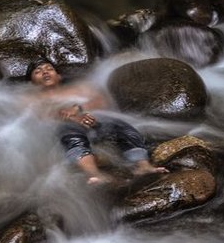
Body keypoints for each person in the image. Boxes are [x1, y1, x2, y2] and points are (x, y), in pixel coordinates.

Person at [27, 59, 167, 184]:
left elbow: (101, 101)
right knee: (69, 132)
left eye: (49, 68)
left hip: (92, 121)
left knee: (119, 125)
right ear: (31, 81)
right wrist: (73, 119)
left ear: (58, 76)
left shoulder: (76, 89)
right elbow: (39, 116)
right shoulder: (31, 99)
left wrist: (79, 109)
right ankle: (94, 174)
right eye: (38, 71)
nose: (45, 72)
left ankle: (143, 166)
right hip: (62, 130)